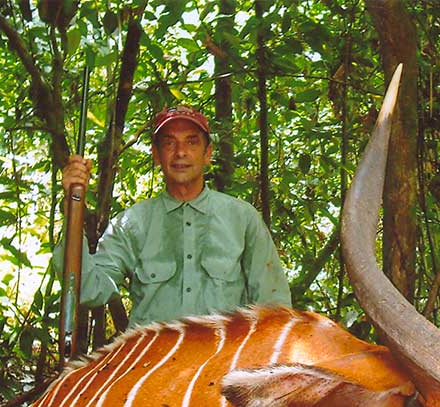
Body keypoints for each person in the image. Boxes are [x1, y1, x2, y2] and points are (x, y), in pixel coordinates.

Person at [54, 105, 291, 327]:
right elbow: (88, 289)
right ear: (156, 155)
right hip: (151, 363)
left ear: (207, 153)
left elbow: (274, 308)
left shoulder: (242, 218)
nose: (180, 153)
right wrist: (72, 208)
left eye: (191, 142)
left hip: (225, 365)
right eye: (169, 144)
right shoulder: (132, 224)